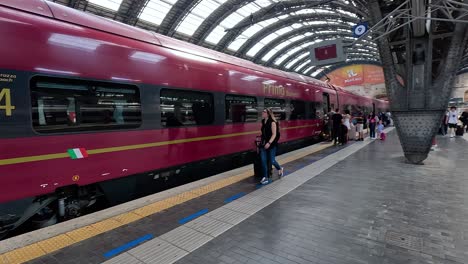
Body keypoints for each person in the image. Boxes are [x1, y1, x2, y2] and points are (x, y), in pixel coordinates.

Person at [260, 108, 283, 185]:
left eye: (264, 112)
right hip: (263, 144)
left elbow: (274, 134)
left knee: (272, 160)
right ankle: (265, 177)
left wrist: (269, 143)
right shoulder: (263, 121)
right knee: (263, 161)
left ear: (268, 114)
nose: (262, 113)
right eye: (262, 112)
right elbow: (263, 133)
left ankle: (280, 168)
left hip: (271, 144)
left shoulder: (272, 122)